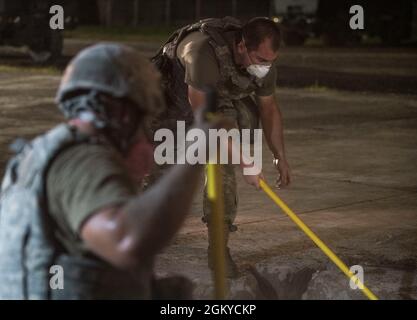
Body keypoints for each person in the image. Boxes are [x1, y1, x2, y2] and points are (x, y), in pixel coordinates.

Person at [0, 43, 227, 299]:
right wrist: (197, 148)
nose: (145, 125)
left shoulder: (36, 156)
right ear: (122, 109)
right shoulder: (80, 160)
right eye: (142, 112)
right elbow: (125, 240)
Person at [151, 17, 291, 277]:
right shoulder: (201, 51)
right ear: (240, 47)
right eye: (260, 60)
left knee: (221, 166)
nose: (266, 67)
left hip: (215, 101)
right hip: (170, 99)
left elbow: (269, 108)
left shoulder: (263, 61)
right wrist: (246, 162)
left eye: (270, 61)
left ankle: (218, 248)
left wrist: (279, 156)